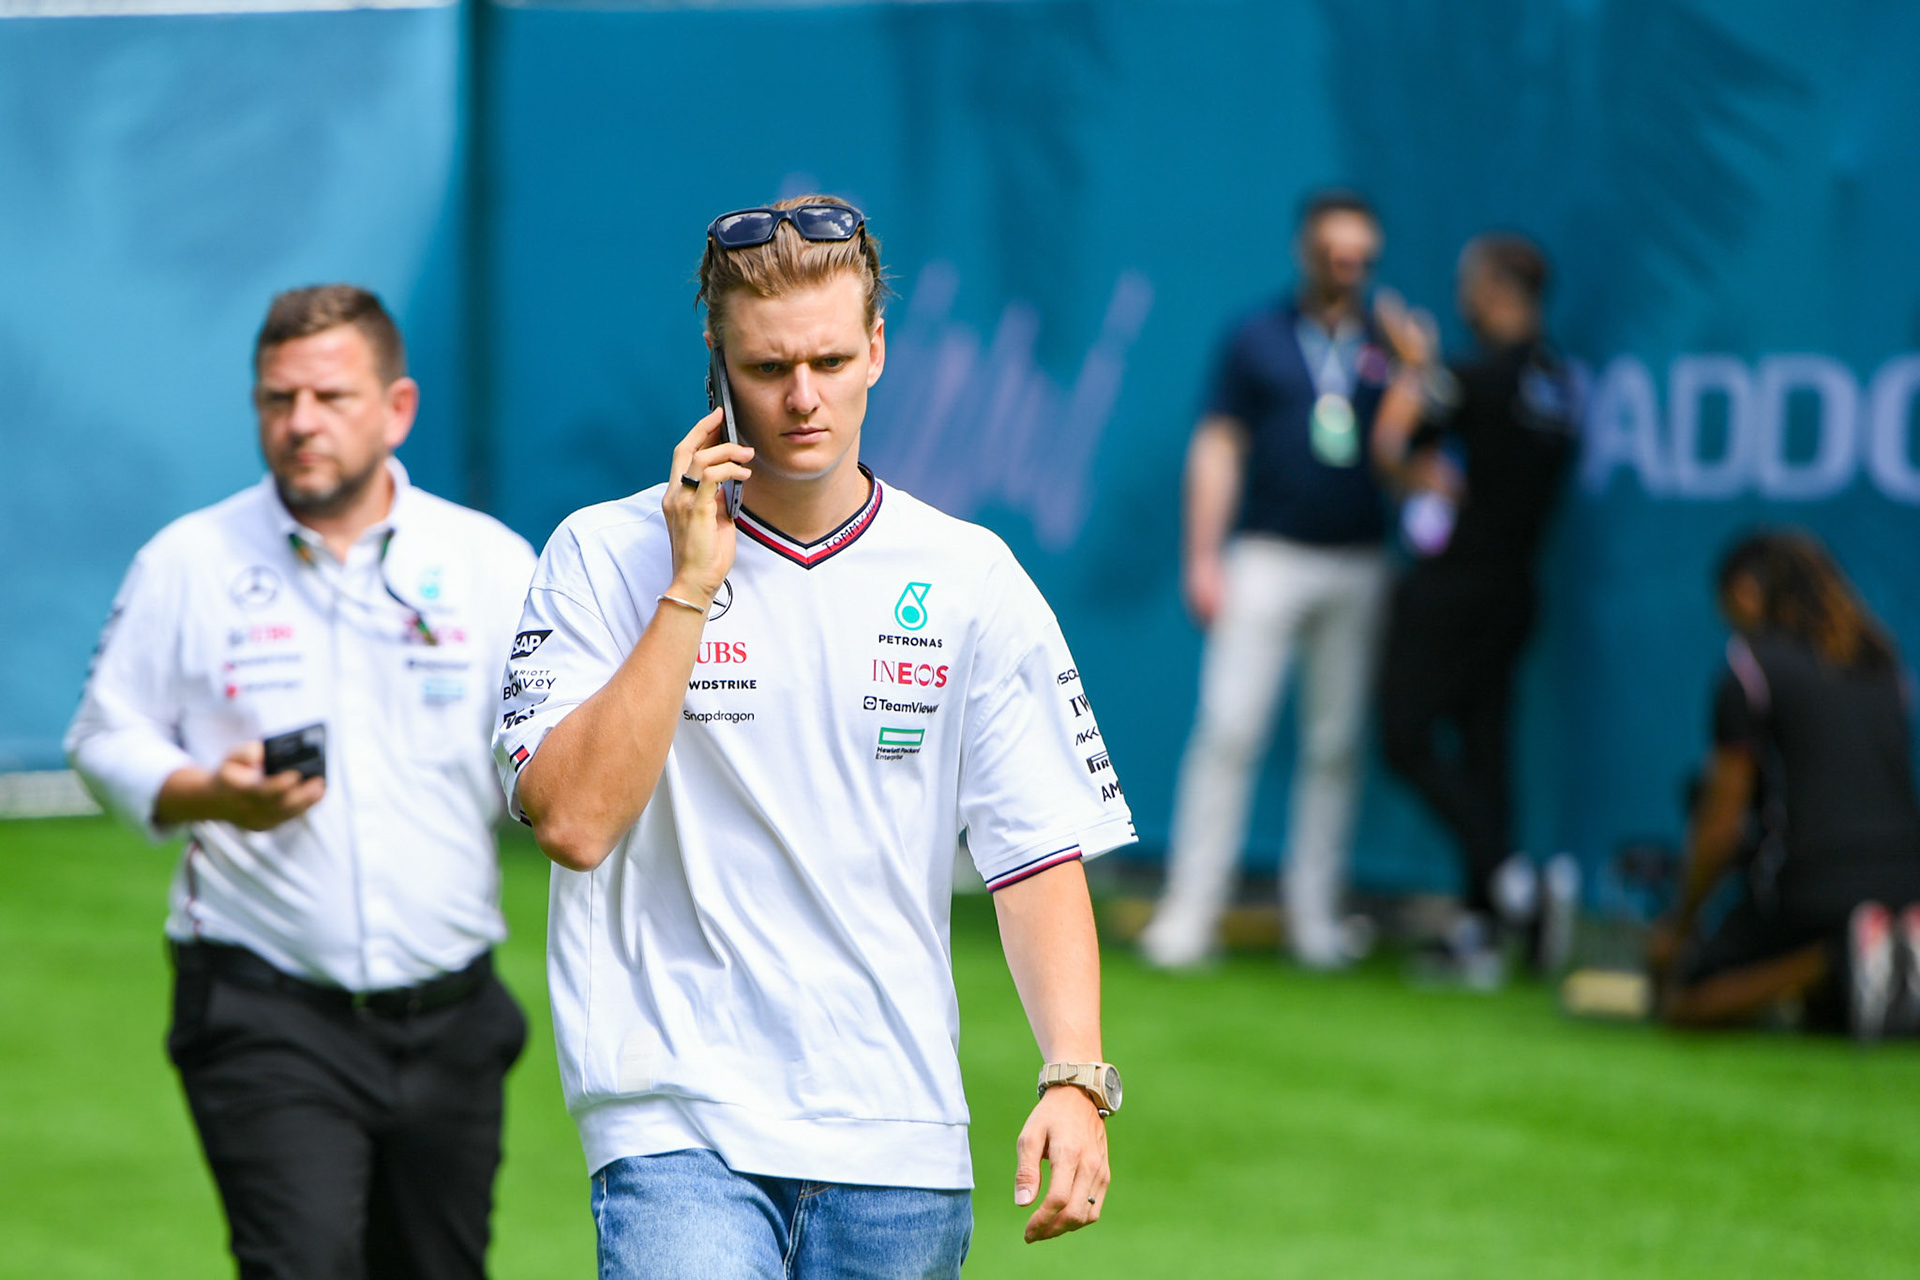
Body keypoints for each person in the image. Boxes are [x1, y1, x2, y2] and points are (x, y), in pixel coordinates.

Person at [494, 196, 1134, 1278]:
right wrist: (690, 587)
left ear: (878, 348)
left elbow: (1033, 852)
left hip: (899, 1134)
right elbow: (572, 818)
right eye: (768, 365)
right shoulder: (600, 557)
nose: (801, 397)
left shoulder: (972, 575)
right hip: (673, 1126)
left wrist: (1075, 1075)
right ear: (717, 356)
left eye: (831, 360)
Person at [66, 286, 536, 1279]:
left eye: (329, 395)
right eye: (278, 399)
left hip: (452, 1011)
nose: (301, 423)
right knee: (304, 1261)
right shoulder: (189, 560)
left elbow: (544, 752)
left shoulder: (491, 562)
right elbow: (104, 736)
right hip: (264, 1004)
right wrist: (207, 791)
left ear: (397, 407)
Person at [1139, 189, 1395, 971]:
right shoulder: (1257, 337)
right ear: (1307, 252)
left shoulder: (1391, 343)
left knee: (1335, 744)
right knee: (1229, 729)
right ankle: (1190, 915)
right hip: (1267, 557)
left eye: (1362, 258)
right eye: (1334, 254)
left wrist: (1418, 376)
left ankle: (1316, 919)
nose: (1347, 270)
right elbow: (1218, 447)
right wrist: (1202, 556)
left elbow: (1411, 450)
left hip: (1360, 561)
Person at [1370, 234, 1580, 982]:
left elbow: (1391, 444)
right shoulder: (1559, 383)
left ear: (1495, 290)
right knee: (1484, 748)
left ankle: (1511, 883)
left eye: (1469, 283)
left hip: (1456, 588)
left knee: (1405, 736)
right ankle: (1482, 926)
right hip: (1516, 589)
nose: (1463, 296)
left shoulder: (1474, 377)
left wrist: (1414, 368)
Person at [1647, 531, 1920, 1038]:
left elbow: (1720, 824)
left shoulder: (1750, 667)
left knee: (1685, 1003)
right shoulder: (1882, 661)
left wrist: (1679, 926)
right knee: (1829, 1019)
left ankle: (1833, 960)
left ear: (1748, 592)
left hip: (1812, 887)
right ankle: (1888, 956)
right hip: (1910, 885)